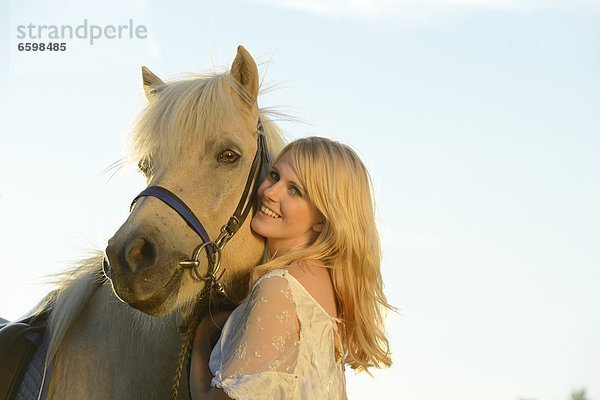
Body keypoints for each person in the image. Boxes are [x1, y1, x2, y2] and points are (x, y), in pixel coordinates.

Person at [190, 137, 393, 400]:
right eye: (274, 176)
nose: (270, 192)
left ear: (322, 219)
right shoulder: (324, 292)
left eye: (295, 190)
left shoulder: (280, 286)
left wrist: (202, 338)